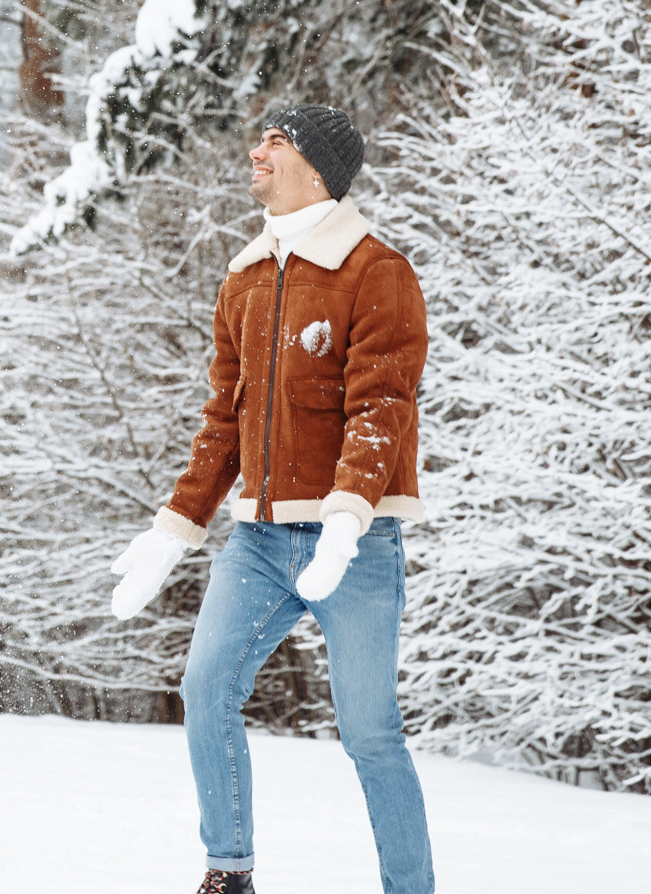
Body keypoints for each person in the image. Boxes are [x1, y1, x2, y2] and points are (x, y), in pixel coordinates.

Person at [109, 105, 434, 894]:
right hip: (257, 541)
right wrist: (173, 528)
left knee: (369, 730)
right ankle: (229, 872)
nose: (256, 151)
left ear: (315, 169)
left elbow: (380, 406)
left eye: (276, 143)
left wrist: (347, 516)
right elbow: (225, 420)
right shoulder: (246, 277)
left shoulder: (375, 270)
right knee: (205, 687)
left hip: (351, 545)